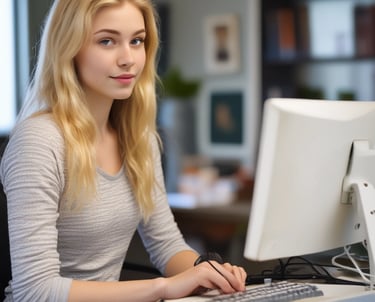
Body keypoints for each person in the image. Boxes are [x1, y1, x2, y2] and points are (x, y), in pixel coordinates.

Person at [0, 0, 247, 301]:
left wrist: (207, 270)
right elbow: (34, 290)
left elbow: (166, 245)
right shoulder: (39, 140)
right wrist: (162, 287)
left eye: (137, 41)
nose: (128, 58)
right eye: (107, 41)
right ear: (70, 48)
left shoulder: (138, 139)